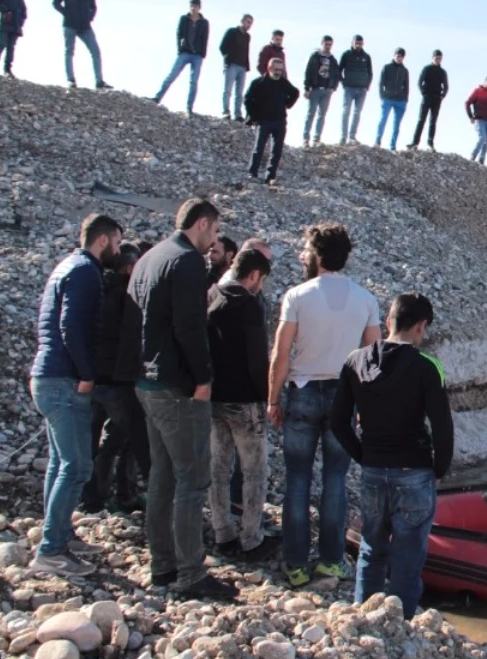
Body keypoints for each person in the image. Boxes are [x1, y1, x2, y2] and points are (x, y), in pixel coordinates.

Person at [121, 199, 236, 598]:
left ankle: (162, 567)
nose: (216, 239)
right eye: (215, 231)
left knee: (162, 476)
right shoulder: (187, 261)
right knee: (191, 479)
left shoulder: (150, 257)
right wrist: (203, 379)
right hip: (177, 386)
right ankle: (191, 574)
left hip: (147, 381)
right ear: (202, 224)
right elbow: (190, 326)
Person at [268, 223, 382, 588]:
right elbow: (374, 359)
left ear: (316, 254)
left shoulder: (297, 296)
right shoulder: (365, 299)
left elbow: (281, 353)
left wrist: (273, 398)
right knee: (335, 478)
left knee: (298, 480)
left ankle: (296, 564)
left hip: (301, 391)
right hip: (344, 397)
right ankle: (332, 561)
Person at [330, 293, 453, 618]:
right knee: (408, 558)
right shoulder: (428, 367)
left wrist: (362, 455)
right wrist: (439, 469)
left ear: (389, 321)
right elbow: (443, 428)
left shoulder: (355, 361)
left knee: (371, 549)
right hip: (414, 472)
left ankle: (361, 619)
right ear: (421, 326)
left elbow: (337, 421)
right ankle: (400, 626)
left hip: (373, 469)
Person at [28, 213, 124, 576]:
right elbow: (70, 325)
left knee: (60, 462)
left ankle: (61, 533)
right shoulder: (86, 271)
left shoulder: (66, 266)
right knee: (77, 465)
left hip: (49, 375)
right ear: (102, 240)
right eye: (116, 241)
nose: (117, 248)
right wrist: (86, 374)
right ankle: (51, 549)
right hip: (65, 379)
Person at [207, 249, 280, 562]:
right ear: (253, 275)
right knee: (254, 472)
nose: (260, 286)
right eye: (261, 280)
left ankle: (222, 531)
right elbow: (255, 357)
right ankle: (251, 538)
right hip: (245, 401)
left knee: (218, 469)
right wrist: (268, 395)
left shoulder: (211, 294)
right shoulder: (248, 305)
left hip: (213, 396)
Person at [80, 241, 150, 515]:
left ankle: (93, 500)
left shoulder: (96, 289)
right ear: (130, 267)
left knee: (99, 442)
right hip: (119, 381)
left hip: (94, 378)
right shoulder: (128, 295)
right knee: (135, 442)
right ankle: (129, 496)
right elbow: (132, 340)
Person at [53, 0, 111, 90]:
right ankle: (71, 80)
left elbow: (93, 6)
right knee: (69, 51)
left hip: (85, 26)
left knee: (95, 51)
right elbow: (56, 3)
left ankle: (99, 81)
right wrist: (67, 13)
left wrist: (90, 18)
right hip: (70, 24)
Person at [244, 58, 300, 185]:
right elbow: (247, 100)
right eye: (276, 69)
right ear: (269, 68)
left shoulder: (284, 83)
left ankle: (270, 176)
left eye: (280, 70)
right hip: (264, 121)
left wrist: (287, 104)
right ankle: (252, 173)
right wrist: (254, 116)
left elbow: (295, 93)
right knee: (259, 148)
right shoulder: (259, 83)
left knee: (277, 150)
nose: (278, 72)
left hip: (280, 121)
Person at [150, 0, 208, 116]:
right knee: (172, 75)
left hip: (197, 55)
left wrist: (202, 53)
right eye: (191, 5)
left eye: (195, 6)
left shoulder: (204, 22)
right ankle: (157, 97)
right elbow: (179, 34)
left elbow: (205, 38)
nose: (193, 8)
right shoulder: (184, 19)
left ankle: (189, 107)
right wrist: (180, 49)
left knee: (193, 82)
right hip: (185, 52)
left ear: (199, 7)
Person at [302, 36, 340, 147]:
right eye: (326, 44)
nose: (328, 46)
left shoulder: (333, 60)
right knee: (311, 114)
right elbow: (308, 72)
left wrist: (333, 87)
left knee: (322, 115)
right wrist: (307, 87)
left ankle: (316, 139)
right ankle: (305, 139)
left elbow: (337, 74)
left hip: (327, 90)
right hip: (315, 89)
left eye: (330, 44)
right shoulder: (315, 57)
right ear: (322, 43)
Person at [409, 49, 448, 150]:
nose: (438, 60)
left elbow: (446, 86)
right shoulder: (427, 68)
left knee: (433, 121)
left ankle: (430, 143)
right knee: (421, 120)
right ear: (432, 58)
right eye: (436, 58)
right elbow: (419, 82)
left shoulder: (442, 72)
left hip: (437, 98)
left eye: (439, 58)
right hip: (427, 97)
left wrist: (442, 96)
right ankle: (415, 142)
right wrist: (423, 93)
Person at [338, 35, 372, 145]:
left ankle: (352, 136)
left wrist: (367, 85)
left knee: (357, 113)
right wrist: (343, 82)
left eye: (360, 43)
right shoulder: (346, 54)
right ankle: (343, 137)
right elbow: (339, 70)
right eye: (357, 43)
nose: (358, 45)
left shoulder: (366, 57)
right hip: (349, 88)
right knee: (346, 111)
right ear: (352, 42)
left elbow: (370, 72)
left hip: (361, 89)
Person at [219, 14, 253, 121]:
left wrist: (246, 66)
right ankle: (225, 112)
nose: (249, 25)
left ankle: (237, 114)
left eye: (251, 23)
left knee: (239, 92)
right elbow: (222, 47)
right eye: (248, 22)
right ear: (242, 21)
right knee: (228, 90)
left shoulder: (247, 37)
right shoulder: (232, 32)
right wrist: (228, 58)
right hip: (232, 64)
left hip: (242, 66)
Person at [374, 48, 409, 150]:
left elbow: (406, 86)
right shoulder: (387, 67)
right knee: (383, 120)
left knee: (396, 124)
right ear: (394, 55)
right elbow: (381, 83)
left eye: (401, 56)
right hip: (387, 98)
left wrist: (405, 99)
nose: (399, 58)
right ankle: (377, 141)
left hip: (400, 100)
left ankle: (392, 146)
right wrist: (382, 95)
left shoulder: (405, 70)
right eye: (398, 56)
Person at [465, 75, 487, 163]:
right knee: (482, 138)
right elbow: (467, 103)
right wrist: (470, 116)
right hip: (479, 119)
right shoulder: (478, 91)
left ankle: (481, 159)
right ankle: (473, 155)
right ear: (485, 81)